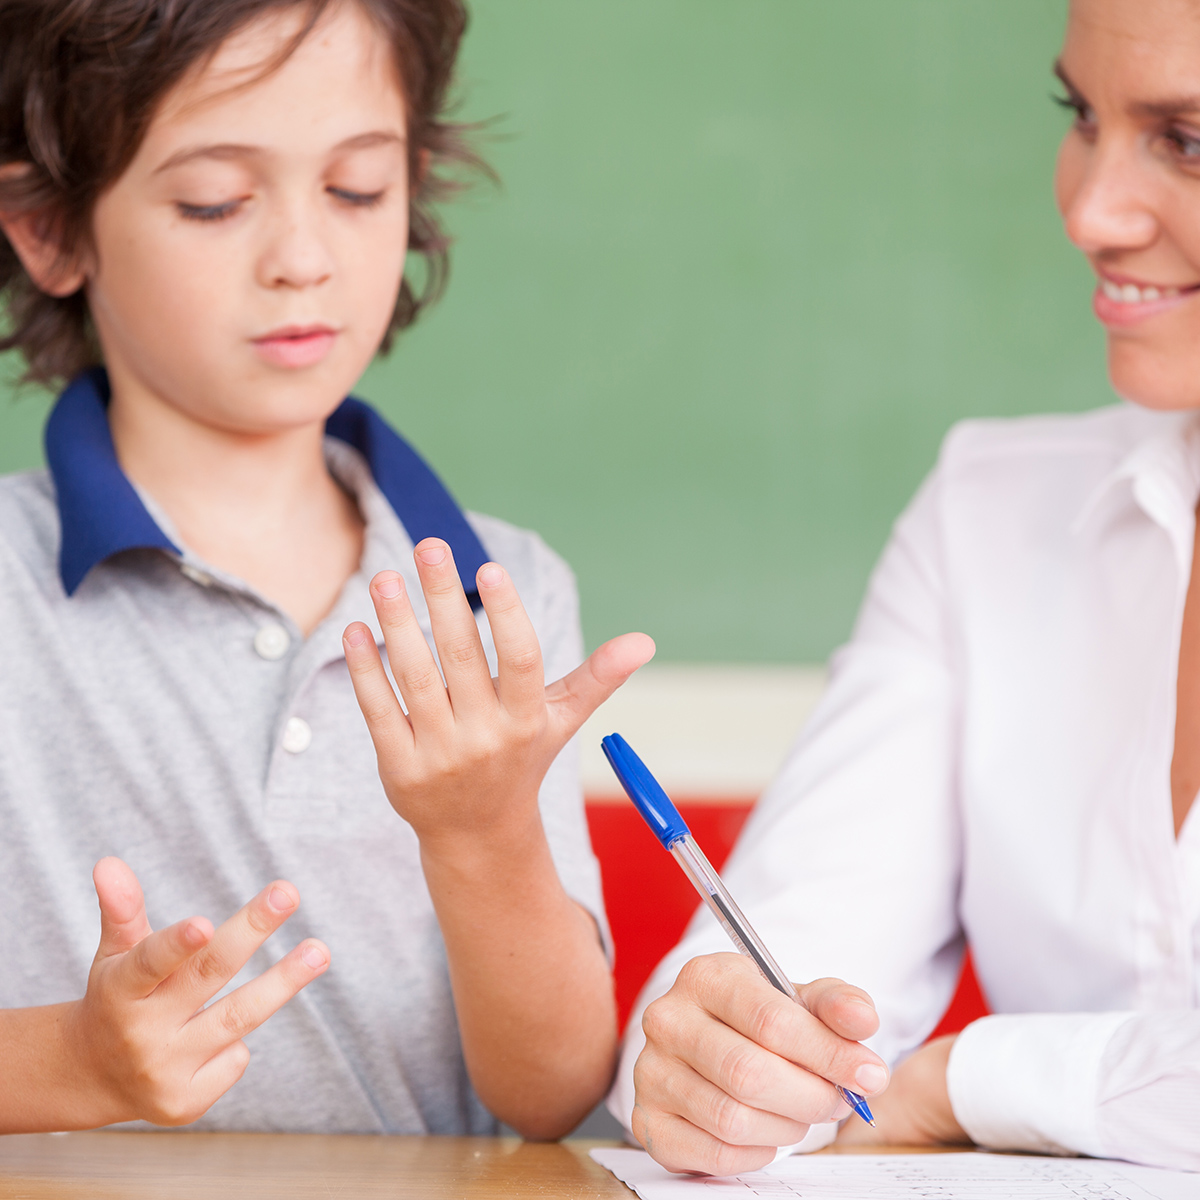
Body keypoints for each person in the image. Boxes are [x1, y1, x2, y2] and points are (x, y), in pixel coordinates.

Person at [0, 0, 653, 1137]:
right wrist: (74, 1061)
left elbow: (552, 1097)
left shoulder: (501, 588)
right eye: (215, 202)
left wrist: (487, 837)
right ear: (51, 229)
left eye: (356, 189)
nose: (304, 259)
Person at [610, 0, 1200, 1176]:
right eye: (1079, 117)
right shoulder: (991, 511)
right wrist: (722, 1062)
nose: (1090, 209)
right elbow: (780, 975)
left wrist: (962, 1078)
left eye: (1187, 140)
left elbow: (923, 1091)